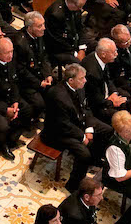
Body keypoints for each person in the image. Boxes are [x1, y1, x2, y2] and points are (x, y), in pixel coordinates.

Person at [42, 64, 99, 194]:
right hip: (57, 133)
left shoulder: (79, 87)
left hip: (75, 123)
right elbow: (63, 125)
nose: (85, 81)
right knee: (84, 154)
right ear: (71, 80)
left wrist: (89, 129)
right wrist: (82, 136)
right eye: (82, 78)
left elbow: (86, 107)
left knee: (104, 131)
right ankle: (73, 185)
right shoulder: (57, 96)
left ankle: (94, 161)